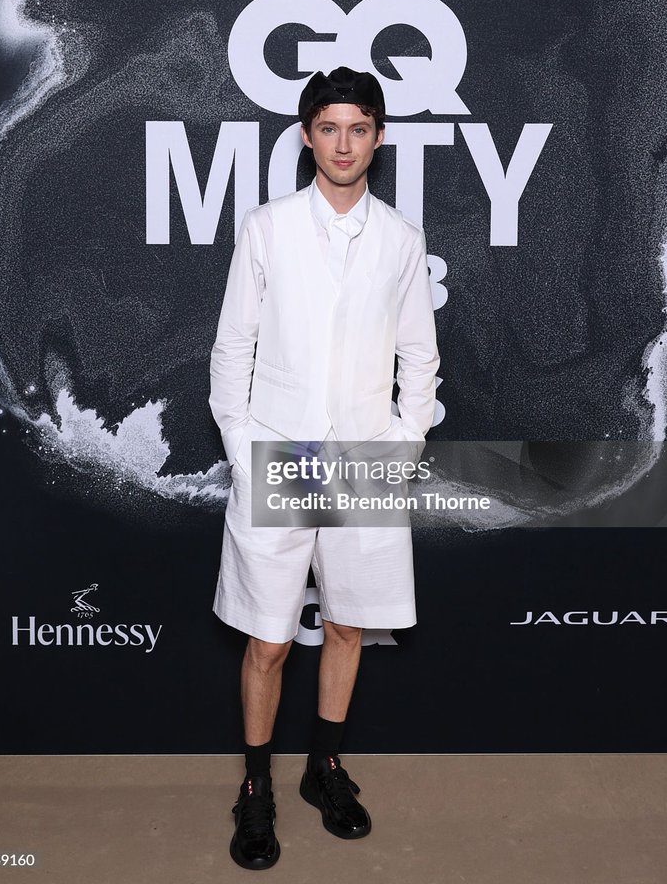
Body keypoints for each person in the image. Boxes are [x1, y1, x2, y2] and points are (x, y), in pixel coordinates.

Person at [208, 65, 440, 870]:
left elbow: (421, 358)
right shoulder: (268, 226)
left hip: (362, 458)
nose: (344, 143)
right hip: (280, 451)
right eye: (329, 127)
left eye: (360, 128)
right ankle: (256, 788)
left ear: (379, 137)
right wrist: (243, 450)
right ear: (307, 135)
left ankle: (323, 769)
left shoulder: (402, 239)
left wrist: (401, 449)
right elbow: (232, 347)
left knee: (347, 625)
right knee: (269, 640)